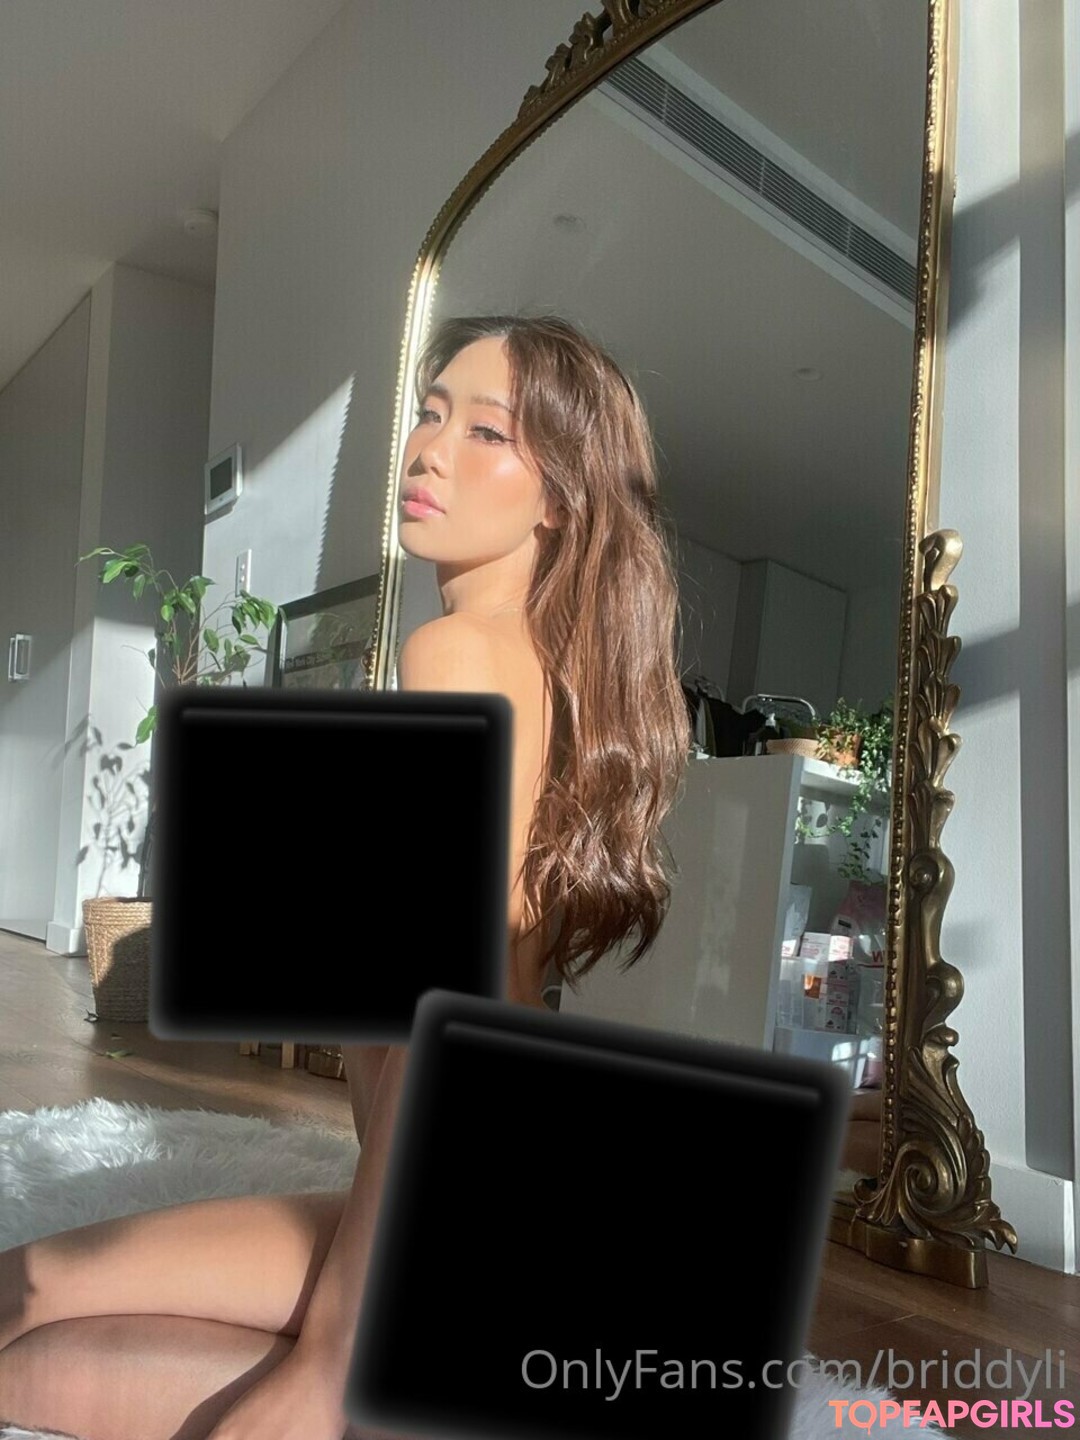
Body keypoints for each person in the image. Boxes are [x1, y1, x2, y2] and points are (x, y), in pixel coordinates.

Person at [0, 315, 692, 1440]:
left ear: (561, 497)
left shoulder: (457, 656)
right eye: (429, 413)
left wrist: (329, 1361)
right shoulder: (542, 666)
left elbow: (445, 1016)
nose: (429, 451)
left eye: (486, 433)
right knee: (42, 1306)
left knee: (30, 1320)